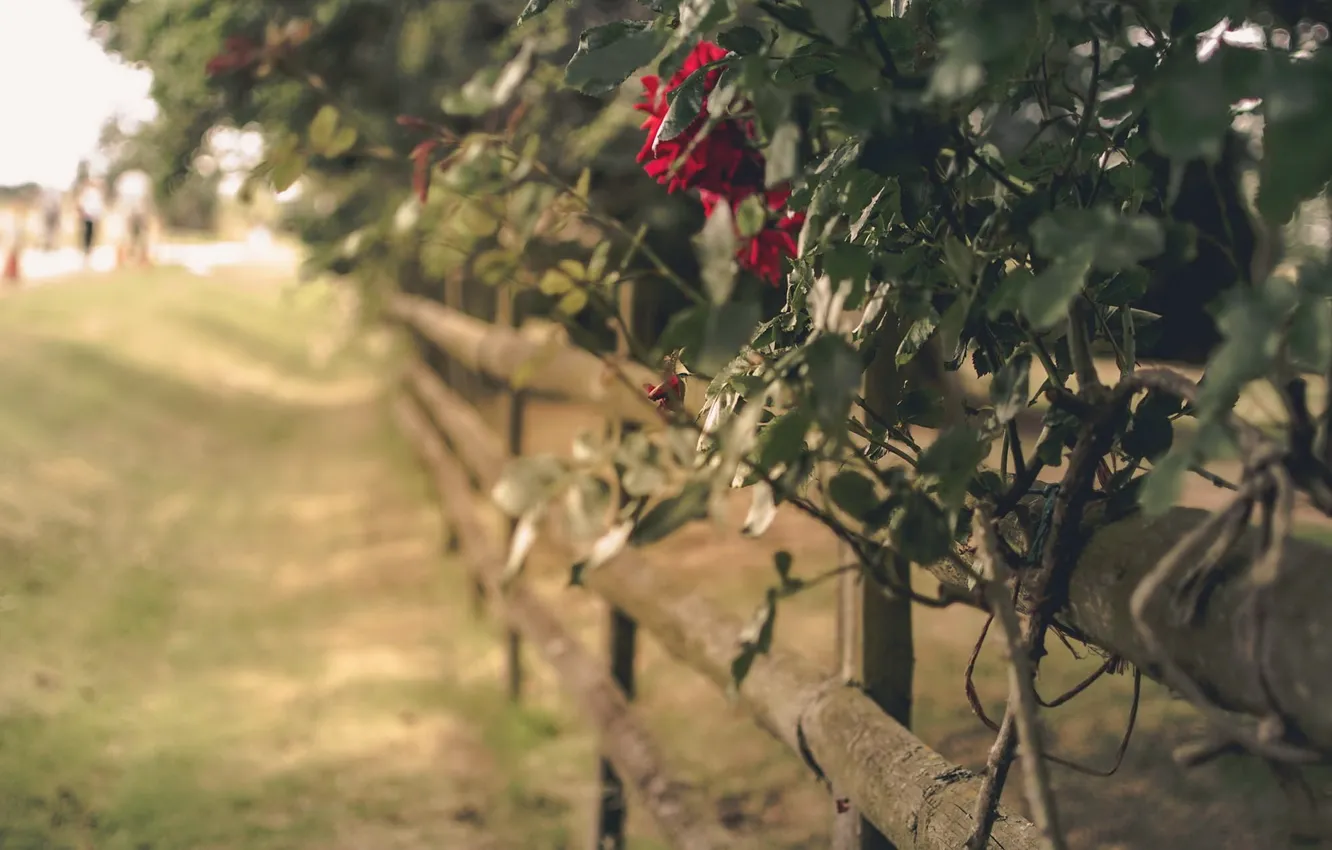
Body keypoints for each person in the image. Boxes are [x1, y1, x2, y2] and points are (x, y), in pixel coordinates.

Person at [76, 179, 105, 267]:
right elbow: (82, 203)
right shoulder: (88, 192)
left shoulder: (95, 193)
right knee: (87, 233)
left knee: (91, 233)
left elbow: (98, 205)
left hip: (93, 215)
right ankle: (86, 250)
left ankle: (89, 249)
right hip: (88, 215)